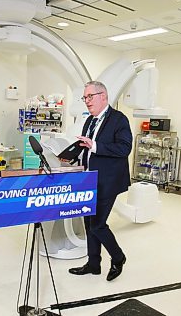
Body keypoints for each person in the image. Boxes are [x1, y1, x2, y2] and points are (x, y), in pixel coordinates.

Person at [68, 80, 132, 282]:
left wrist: (94, 145)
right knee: (89, 224)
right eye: (84, 97)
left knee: (97, 225)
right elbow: (85, 147)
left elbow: (124, 148)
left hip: (108, 180)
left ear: (103, 96)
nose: (86, 101)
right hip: (89, 179)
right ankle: (93, 264)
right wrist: (70, 155)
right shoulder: (90, 120)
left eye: (90, 97)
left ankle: (118, 257)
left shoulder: (119, 119)